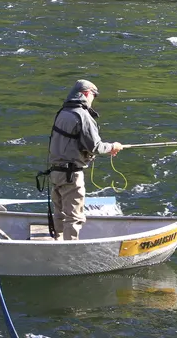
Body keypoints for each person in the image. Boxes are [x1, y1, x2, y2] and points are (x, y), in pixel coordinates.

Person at [45, 79, 123, 240]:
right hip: (71, 175)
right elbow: (95, 146)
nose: (93, 99)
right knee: (74, 217)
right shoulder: (82, 115)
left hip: (55, 172)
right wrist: (113, 146)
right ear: (87, 93)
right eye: (93, 95)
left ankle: (57, 242)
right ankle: (69, 251)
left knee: (59, 213)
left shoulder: (63, 113)